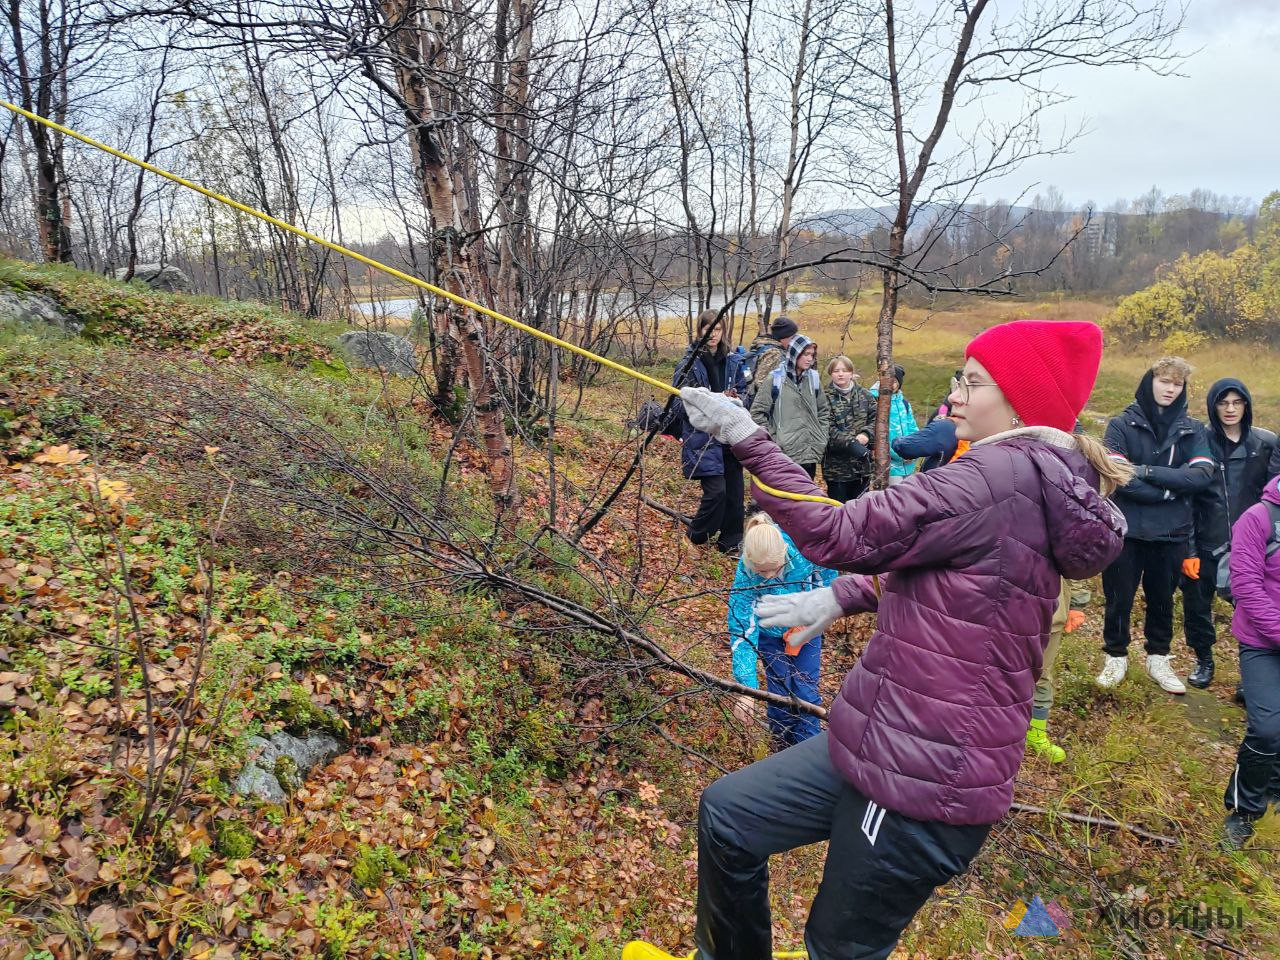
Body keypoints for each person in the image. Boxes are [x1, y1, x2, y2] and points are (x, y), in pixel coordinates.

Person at [625, 320, 1128, 960]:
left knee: (837, 948)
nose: (955, 398)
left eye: (973, 383)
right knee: (729, 818)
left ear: (1019, 402)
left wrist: (747, 438)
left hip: (925, 777)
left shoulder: (995, 478)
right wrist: (845, 594)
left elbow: (842, 532)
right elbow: (960, 578)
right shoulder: (1023, 480)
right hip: (881, 737)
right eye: (959, 380)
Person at [1099, 357, 1214, 695]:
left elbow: (1201, 476)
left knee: (1163, 598)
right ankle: (1115, 655)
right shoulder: (1121, 424)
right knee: (1118, 597)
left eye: (1176, 384)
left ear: (1183, 389)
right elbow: (1118, 474)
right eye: (1164, 381)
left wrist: (1147, 472)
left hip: (1172, 532)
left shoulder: (1193, 430)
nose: (1169, 389)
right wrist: (1172, 489)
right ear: (1150, 381)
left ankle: (1158, 657)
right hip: (1127, 529)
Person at [1180, 379, 1278, 689]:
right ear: (1213, 406)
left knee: (1252, 609)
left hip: (1251, 546)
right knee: (1197, 605)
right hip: (1206, 539)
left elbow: (1273, 497)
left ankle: (1250, 675)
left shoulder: (1265, 443)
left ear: (1246, 405)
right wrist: (1190, 549)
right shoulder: (1198, 442)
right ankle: (1204, 659)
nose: (1231, 409)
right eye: (1224, 403)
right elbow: (1187, 497)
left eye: (1237, 402)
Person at [727, 513, 838, 749]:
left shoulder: (804, 553)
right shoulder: (746, 573)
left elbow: (829, 580)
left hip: (806, 632)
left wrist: (817, 614)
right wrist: (747, 689)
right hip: (771, 637)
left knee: (805, 692)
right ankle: (780, 746)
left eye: (773, 570)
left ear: (784, 556)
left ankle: (806, 751)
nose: (768, 577)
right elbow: (742, 629)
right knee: (778, 697)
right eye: (761, 571)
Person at [1220, 474, 1280, 848]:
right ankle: (1244, 810)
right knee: (1268, 727)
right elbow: (1245, 585)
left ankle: (1275, 791)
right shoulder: (1258, 517)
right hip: (1261, 642)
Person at [674, 308, 750, 554]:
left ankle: (730, 543)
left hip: (730, 436)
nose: (713, 334)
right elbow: (678, 402)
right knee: (716, 492)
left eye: (717, 329)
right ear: (700, 330)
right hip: (703, 438)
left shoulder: (734, 361)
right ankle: (697, 535)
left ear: (723, 331)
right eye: (708, 329)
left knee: (735, 495)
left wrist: (736, 399)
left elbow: (747, 394)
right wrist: (711, 401)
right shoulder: (689, 362)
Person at [750, 335, 830, 480]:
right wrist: (774, 439)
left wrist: (821, 437)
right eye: (805, 354)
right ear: (795, 353)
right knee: (786, 498)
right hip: (785, 454)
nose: (809, 359)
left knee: (806, 499)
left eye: (812, 355)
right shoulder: (774, 379)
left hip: (809, 453)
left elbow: (823, 411)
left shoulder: (814, 379)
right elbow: (757, 413)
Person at [822, 355, 875, 501]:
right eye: (836, 371)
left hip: (862, 469)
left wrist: (866, 434)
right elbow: (826, 427)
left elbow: (876, 420)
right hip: (836, 469)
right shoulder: (824, 397)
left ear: (851, 373)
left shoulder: (866, 395)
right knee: (839, 511)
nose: (840, 374)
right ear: (831, 374)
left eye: (844, 370)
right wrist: (851, 443)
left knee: (861, 510)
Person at [867, 364, 919, 485]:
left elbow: (913, 430)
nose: (891, 384)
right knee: (897, 497)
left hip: (909, 464)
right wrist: (900, 455)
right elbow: (877, 434)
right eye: (888, 380)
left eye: (895, 381)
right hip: (890, 466)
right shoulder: (874, 401)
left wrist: (914, 452)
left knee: (910, 496)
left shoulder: (904, 403)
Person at [743, 316, 798, 408]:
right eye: (792, 337)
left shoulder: (763, 345)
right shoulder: (773, 353)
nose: (794, 341)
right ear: (784, 337)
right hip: (764, 406)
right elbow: (761, 383)